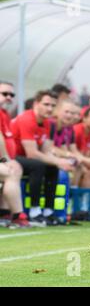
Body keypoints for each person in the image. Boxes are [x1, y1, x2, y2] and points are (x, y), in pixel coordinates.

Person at [11, 90, 75, 226]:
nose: (50, 108)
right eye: (46, 104)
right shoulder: (26, 119)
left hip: (26, 159)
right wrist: (59, 161)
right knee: (38, 165)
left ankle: (48, 211)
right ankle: (34, 212)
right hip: (11, 157)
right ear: (36, 104)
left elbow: (46, 151)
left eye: (53, 105)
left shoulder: (48, 123)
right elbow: (32, 153)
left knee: (52, 166)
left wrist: (59, 162)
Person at [0, 80, 30, 228]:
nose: (9, 97)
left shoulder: (4, 114)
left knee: (14, 169)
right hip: (2, 159)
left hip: (4, 159)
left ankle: (4, 212)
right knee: (11, 172)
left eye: (11, 94)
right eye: (4, 94)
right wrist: (6, 159)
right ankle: (18, 215)